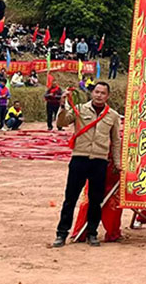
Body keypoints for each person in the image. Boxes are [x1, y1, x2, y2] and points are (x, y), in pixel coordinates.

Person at [53, 82, 122, 248]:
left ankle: (92, 233)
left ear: (108, 96)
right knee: (70, 198)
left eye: (103, 93)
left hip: (99, 161)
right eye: (97, 92)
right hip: (79, 158)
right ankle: (61, 234)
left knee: (95, 199)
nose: (99, 95)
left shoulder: (112, 115)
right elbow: (61, 123)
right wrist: (62, 105)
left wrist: (118, 163)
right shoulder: (80, 109)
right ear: (92, 93)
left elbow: (116, 141)